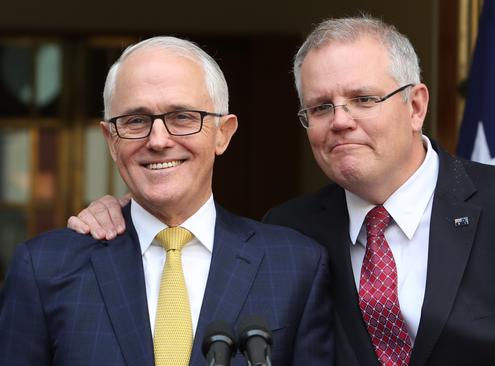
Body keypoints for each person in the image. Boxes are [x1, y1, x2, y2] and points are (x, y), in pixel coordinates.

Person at [66, 17, 495, 366]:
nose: (339, 120)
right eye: (319, 107)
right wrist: (128, 210)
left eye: (363, 99)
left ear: (416, 105)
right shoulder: (288, 231)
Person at [0, 36, 333, 365]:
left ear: (223, 133)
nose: (158, 140)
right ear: (110, 140)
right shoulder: (45, 268)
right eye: (135, 121)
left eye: (182, 117)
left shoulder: (295, 265)